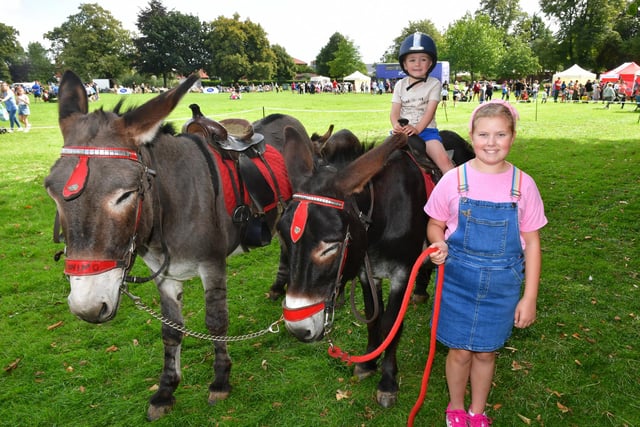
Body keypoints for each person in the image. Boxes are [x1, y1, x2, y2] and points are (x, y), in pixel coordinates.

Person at [424, 99, 547, 427]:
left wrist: (530, 297)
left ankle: (478, 412)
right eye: (483, 135)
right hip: (457, 282)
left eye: (500, 135)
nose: (491, 143)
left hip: (502, 287)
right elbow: (435, 223)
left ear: (513, 137)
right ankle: (456, 407)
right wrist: (438, 242)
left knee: (486, 352)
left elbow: (532, 243)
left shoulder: (523, 186)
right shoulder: (452, 180)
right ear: (471, 136)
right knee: (460, 351)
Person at [390, 32, 453, 175]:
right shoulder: (400, 85)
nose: (417, 64)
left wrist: (417, 129)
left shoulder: (434, 84)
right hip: (402, 132)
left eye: (423, 59)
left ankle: (456, 194)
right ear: (404, 64)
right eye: (412, 60)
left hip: (426, 132)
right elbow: (394, 112)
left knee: (445, 162)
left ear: (430, 63)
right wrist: (396, 125)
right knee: (379, 160)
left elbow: (429, 112)